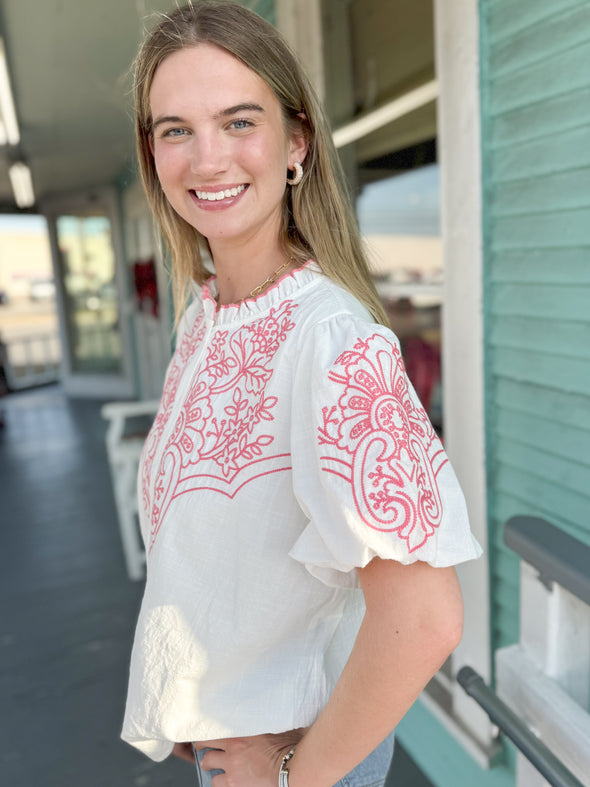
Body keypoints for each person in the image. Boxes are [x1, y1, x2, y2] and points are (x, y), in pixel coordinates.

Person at [122, 3, 482, 786]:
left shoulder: (329, 341)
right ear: (152, 154)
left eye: (238, 120)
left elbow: (424, 617)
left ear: (296, 143)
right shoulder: (206, 312)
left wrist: (292, 771)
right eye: (175, 129)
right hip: (231, 744)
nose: (206, 157)